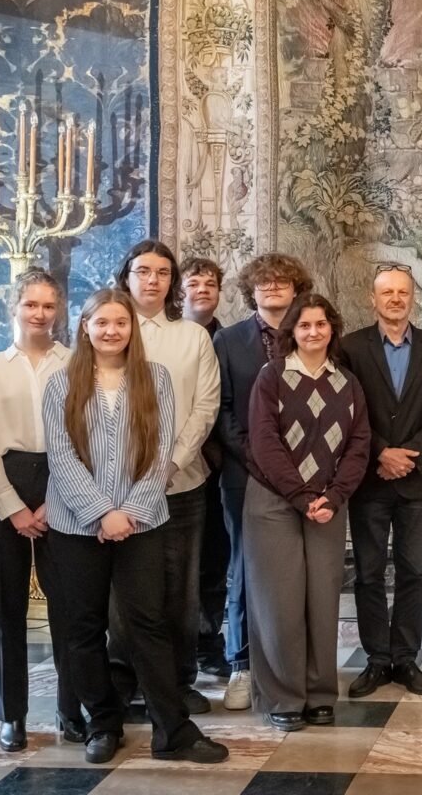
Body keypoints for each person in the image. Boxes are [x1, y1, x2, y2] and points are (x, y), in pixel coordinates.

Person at [43, 289, 228, 765]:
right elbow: (61, 456)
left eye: (120, 323)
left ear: (132, 329)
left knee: (148, 622)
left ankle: (173, 732)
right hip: (75, 525)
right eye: (101, 322)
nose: (111, 331)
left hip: (141, 521)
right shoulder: (61, 383)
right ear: (85, 327)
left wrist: (128, 511)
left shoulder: (155, 378)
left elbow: (161, 450)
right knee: (84, 626)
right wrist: (101, 512)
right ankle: (103, 723)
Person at [245, 294, 371, 731]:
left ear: (332, 328)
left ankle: (319, 694)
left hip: (327, 505)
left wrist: (333, 497)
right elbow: (264, 442)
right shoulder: (272, 377)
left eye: (321, 324)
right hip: (273, 501)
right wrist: (301, 496)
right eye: (304, 325)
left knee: (322, 599)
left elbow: (359, 444)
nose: (313, 332)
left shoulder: (347, 383)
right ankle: (283, 696)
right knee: (278, 602)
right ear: (292, 332)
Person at [0, 269, 83, 751]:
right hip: (3, 481)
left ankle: (71, 708)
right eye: (31, 304)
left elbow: (84, 434)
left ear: (59, 311)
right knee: (6, 606)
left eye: (48, 306)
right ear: (13, 307)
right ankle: (10, 714)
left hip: (65, 480)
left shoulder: (76, 363)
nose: (40, 314)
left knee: (70, 607)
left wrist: (57, 499)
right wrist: (11, 506)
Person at [109, 242, 220, 714]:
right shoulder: (109, 330)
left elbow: (206, 406)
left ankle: (177, 680)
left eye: (162, 272)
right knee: (124, 589)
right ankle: (122, 678)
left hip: (182, 482)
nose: (152, 280)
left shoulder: (192, 337)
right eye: (143, 271)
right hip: (118, 486)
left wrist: (172, 463)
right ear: (127, 277)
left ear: (173, 281)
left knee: (180, 587)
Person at [339, 265, 422, 697]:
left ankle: (405, 659)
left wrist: (413, 455)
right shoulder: (350, 348)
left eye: (402, 292)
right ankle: (376, 660)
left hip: (415, 481)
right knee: (368, 574)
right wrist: (381, 452)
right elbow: (347, 409)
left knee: (413, 572)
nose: (395, 299)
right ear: (372, 299)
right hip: (369, 480)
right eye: (386, 292)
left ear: (413, 298)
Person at [212, 253, 313, 710]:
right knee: (244, 568)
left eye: (282, 280)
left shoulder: (311, 334)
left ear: (297, 288)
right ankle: (242, 664)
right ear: (250, 290)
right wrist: (259, 459)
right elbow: (222, 409)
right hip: (246, 472)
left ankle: (294, 663)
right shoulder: (228, 341)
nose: (272, 287)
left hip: (307, 474)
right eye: (263, 281)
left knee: (297, 570)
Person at [180, 255, 232, 681]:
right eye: (194, 284)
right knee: (179, 565)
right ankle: (177, 648)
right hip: (173, 468)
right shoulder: (168, 338)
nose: (202, 290)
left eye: (210, 284)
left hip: (218, 468)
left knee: (214, 561)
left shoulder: (230, 340)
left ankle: (208, 643)